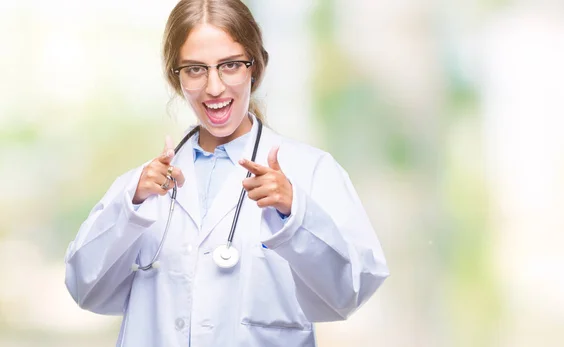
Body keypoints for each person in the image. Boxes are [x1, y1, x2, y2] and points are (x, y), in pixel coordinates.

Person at [64, 0, 389, 346]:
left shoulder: (312, 171)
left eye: (230, 65)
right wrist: (129, 207)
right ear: (176, 76)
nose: (214, 88)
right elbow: (85, 288)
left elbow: (350, 292)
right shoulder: (142, 189)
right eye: (195, 69)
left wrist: (295, 213)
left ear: (255, 66)